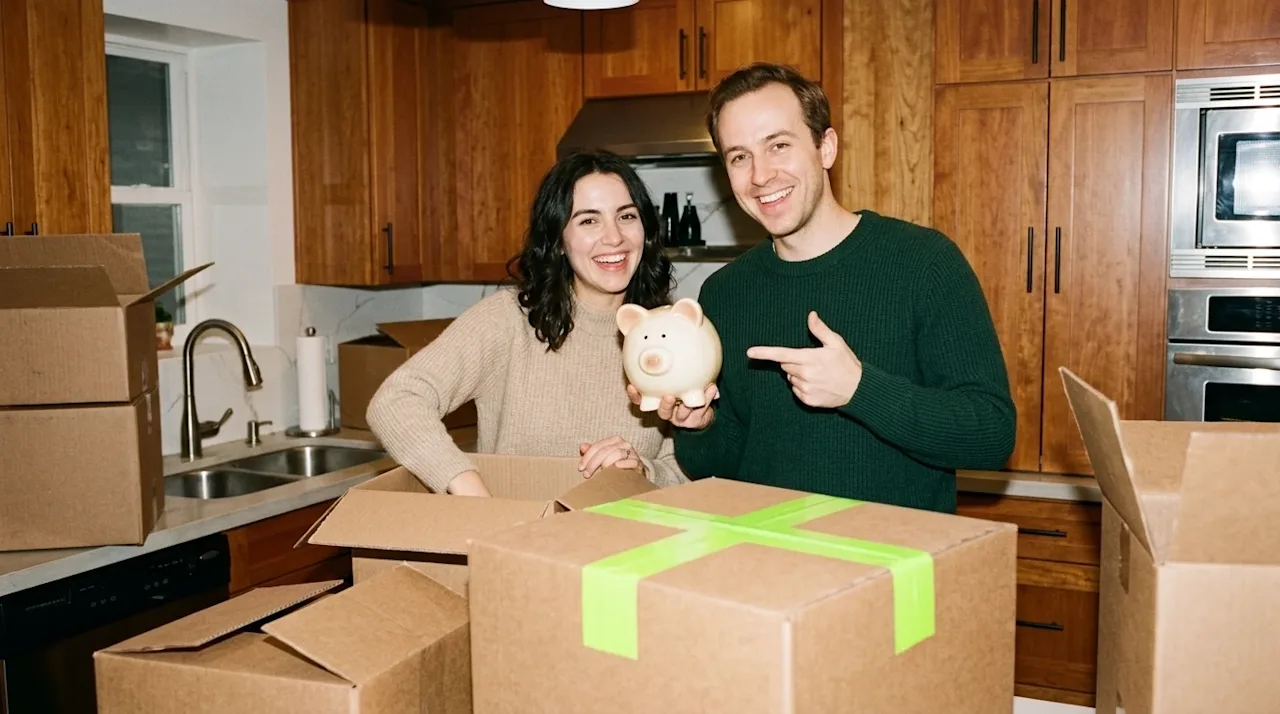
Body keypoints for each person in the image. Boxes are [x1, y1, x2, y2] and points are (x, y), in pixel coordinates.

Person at [633, 62, 1015, 513]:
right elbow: (721, 465)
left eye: (778, 145)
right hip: (770, 564)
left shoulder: (924, 263)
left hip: (891, 566)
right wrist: (699, 425)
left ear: (826, 147)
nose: (760, 175)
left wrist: (859, 389)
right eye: (739, 156)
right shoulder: (724, 293)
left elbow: (990, 435)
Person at [369, 150, 689, 497]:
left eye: (626, 216)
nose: (614, 237)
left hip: (624, 544)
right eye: (588, 220)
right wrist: (467, 487)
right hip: (514, 541)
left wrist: (644, 470)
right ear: (559, 240)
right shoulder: (508, 321)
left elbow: (686, 470)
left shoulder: (668, 334)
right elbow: (396, 399)